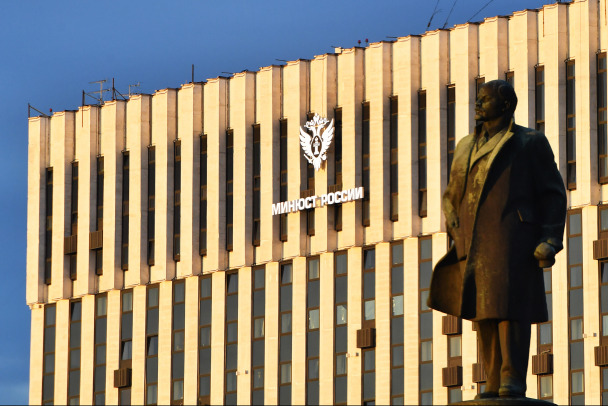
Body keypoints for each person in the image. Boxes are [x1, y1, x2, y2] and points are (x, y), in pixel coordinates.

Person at [428, 80, 567, 398]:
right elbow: (452, 193)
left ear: (506, 105)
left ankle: (511, 376)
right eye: (478, 99)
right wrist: (453, 222)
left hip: (513, 238)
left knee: (510, 309)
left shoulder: (529, 142)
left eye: (485, 99)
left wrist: (549, 238)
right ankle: (492, 377)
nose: (478, 104)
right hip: (472, 241)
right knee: (483, 312)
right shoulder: (466, 145)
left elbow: (553, 193)